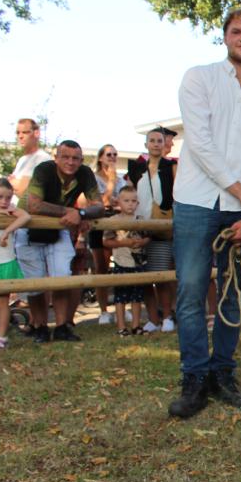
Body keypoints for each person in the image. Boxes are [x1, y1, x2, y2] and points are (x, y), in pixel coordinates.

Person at [168, 7, 241, 419]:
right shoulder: (198, 78)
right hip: (195, 203)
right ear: (226, 36)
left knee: (233, 293)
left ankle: (223, 373)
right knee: (191, 292)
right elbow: (200, 144)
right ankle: (195, 377)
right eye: (237, 31)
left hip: (240, 212)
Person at [15, 140, 104, 343]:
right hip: (29, 225)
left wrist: (81, 213)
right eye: (65, 157)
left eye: (75, 158)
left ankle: (62, 326)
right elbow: (34, 205)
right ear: (56, 158)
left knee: (62, 276)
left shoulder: (85, 173)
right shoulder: (44, 170)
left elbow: (99, 207)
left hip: (60, 226)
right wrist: (71, 212)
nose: (70, 162)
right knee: (35, 280)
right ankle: (40, 326)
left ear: (81, 160)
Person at [128, 128, 177, 334]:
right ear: (146, 144)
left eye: (159, 140)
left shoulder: (171, 167)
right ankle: (152, 317)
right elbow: (129, 193)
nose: (156, 144)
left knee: (161, 273)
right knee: (143, 275)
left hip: (162, 225)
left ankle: (167, 315)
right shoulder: (136, 167)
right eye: (152, 141)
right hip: (139, 223)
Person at [0, 178, 30, 350]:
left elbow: (26, 216)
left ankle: (2, 337)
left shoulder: (11, 211)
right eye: (0, 197)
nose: (4, 202)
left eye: (8, 198)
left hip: (5, 262)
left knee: (3, 303)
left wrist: (7, 231)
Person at [102, 186, 149, 336]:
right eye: (126, 200)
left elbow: (148, 236)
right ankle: (121, 327)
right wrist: (124, 243)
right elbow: (106, 242)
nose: (130, 204)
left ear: (138, 203)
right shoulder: (113, 221)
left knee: (137, 297)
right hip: (121, 263)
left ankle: (136, 325)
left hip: (138, 263)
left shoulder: (141, 220)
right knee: (120, 297)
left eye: (133, 201)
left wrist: (142, 242)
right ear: (118, 202)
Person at [90, 144, 125, 326]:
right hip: (99, 224)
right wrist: (110, 184)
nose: (112, 157)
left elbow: (127, 202)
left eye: (115, 154)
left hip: (119, 224)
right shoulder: (94, 179)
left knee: (122, 267)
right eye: (108, 154)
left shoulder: (122, 181)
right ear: (101, 158)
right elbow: (101, 202)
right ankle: (103, 310)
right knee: (101, 268)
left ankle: (122, 305)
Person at [8, 118, 52, 201]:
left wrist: (12, 183)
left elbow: (24, 192)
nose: (20, 136)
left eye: (25, 132)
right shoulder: (22, 160)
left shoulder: (42, 158)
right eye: (18, 133)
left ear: (36, 133)